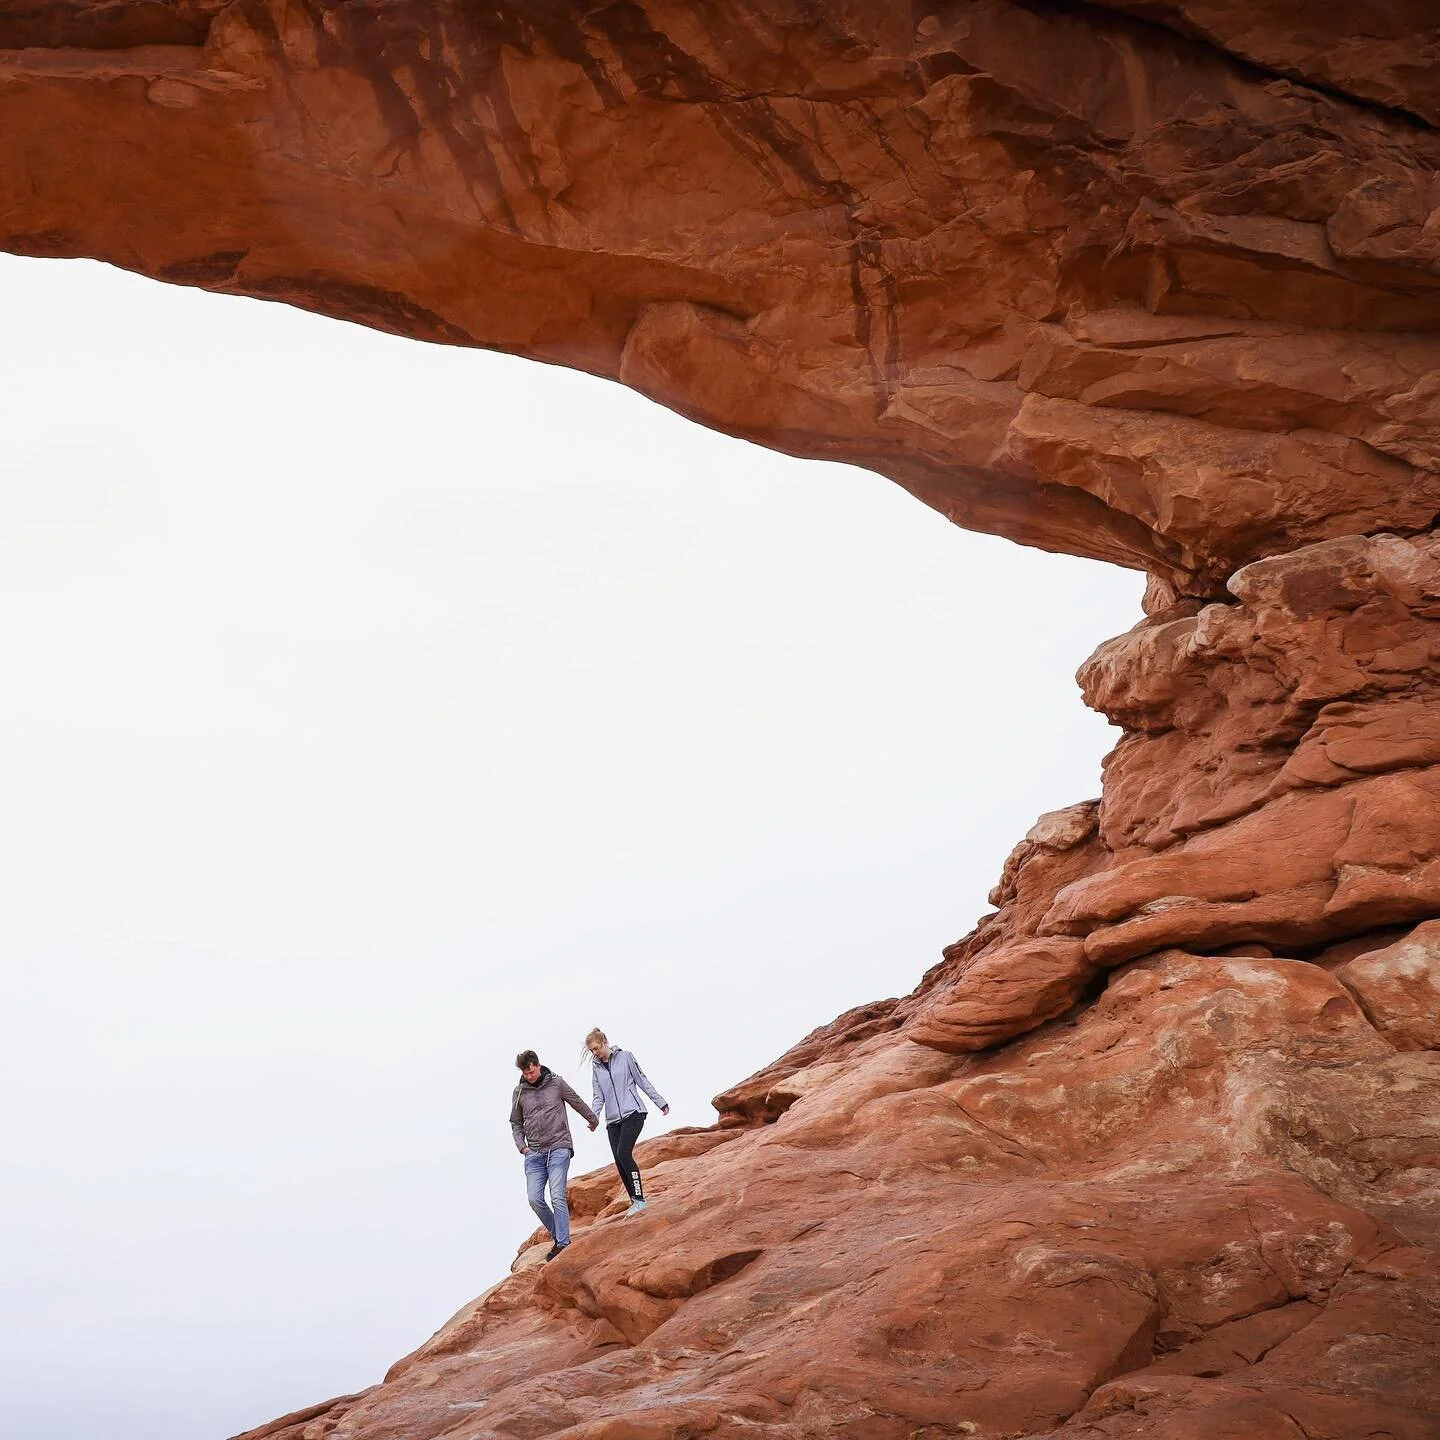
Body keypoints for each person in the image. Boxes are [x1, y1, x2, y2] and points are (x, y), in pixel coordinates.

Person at [509, 1048, 598, 1260]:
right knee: (534, 1199)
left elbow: (575, 1100)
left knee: (557, 1195)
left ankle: (563, 1244)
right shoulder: (519, 1092)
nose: (529, 1076)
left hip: (559, 1147)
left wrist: (592, 1119)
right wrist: (522, 1147)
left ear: (538, 1065)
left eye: (531, 1072)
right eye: (525, 1073)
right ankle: (559, 1235)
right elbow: (515, 1122)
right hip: (534, 1154)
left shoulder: (556, 1083)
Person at [584, 1027, 669, 1215]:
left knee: (624, 1152)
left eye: (596, 1048)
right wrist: (593, 1119)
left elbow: (642, 1080)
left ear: (605, 1042)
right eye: (591, 1051)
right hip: (612, 1120)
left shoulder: (626, 1057)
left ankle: (640, 1199)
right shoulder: (596, 1069)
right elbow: (598, 1097)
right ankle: (634, 1201)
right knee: (618, 1159)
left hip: (633, 1113)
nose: (595, 1053)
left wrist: (660, 1102)